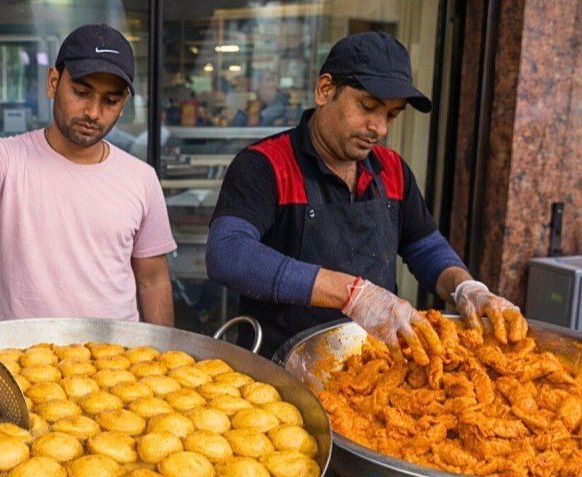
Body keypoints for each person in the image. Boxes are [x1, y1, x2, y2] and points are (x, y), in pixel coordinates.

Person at [206, 31, 524, 360]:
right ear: (325, 89)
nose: (380, 128)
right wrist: (354, 295)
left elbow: (424, 247)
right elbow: (227, 254)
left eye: (391, 115)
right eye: (368, 106)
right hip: (282, 369)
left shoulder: (393, 170)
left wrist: (464, 287)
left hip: (377, 362)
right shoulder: (265, 165)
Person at [0, 24, 175, 325]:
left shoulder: (141, 178)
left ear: (123, 105)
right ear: (53, 82)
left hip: (116, 358)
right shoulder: (3, 159)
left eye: (110, 101)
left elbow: (153, 281)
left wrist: (165, 360)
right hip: (23, 358)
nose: (94, 113)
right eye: (82, 92)